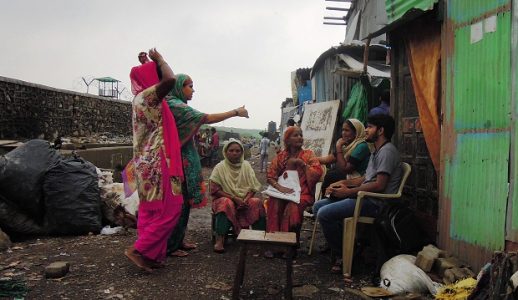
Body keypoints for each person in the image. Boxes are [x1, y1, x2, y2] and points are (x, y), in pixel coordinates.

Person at [166, 73, 249, 257]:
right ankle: (171, 246)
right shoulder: (176, 106)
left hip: (184, 161)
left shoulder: (179, 105)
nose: (193, 90)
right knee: (178, 205)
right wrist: (236, 112)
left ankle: (179, 241)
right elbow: (206, 118)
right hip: (176, 164)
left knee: (185, 203)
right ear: (180, 87)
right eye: (190, 86)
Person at [316, 114, 402, 273]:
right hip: (365, 198)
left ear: (381, 130)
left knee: (323, 213)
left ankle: (344, 253)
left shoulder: (387, 152)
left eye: (370, 127)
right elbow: (365, 179)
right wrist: (342, 184)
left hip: (376, 203)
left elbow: (379, 185)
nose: (366, 130)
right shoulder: (377, 150)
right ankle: (347, 247)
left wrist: (348, 192)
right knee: (317, 206)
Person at [125, 48, 183, 272]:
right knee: (172, 209)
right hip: (159, 161)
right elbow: (170, 79)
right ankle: (139, 249)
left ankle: (152, 255)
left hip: (144, 163)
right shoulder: (150, 96)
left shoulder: (139, 99)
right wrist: (160, 59)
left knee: (152, 210)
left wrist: (149, 63)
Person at [266, 126, 323, 251]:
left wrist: (302, 164)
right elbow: (270, 176)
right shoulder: (281, 156)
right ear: (287, 140)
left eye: (301, 135)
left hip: (303, 193)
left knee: (292, 206)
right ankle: (275, 243)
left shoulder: (309, 155)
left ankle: (290, 245)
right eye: (295, 135)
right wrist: (279, 187)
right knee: (274, 202)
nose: (300, 138)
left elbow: (317, 173)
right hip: (283, 192)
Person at [210, 139, 266, 253]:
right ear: (226, 152)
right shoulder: (219, 167)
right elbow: (215, 190)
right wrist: (234, 198)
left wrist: (245, 199)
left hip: (244, 199)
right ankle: (220, 240)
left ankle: (260, 239)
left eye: (238, 150)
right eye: (231, 150)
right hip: (224, 198)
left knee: (257, 202)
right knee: (226, 203)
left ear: (242, 152)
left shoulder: (246, 166)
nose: (234, 153)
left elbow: (253, 187)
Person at [315, 119, 371, 198]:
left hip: (358, 178)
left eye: (347, 130)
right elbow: (328, 159)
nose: (343, 133)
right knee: (327, 174)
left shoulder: (361, 146)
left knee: (332, 176)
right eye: (343, 130)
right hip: (349, 176)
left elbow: (345, 169)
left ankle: (326, 200)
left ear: (356, 132)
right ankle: (323, 201)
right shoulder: (347, 145)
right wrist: (309, 158)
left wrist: (338, 147)